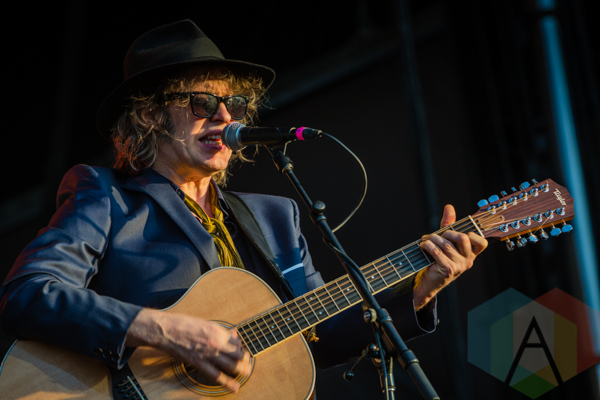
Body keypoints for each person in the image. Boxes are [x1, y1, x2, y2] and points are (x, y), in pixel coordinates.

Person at [0, 20, 487, 396]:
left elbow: (323, 337)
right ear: (149, 114)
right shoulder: (105, 196)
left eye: (232, 103)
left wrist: (419, 291)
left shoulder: (275, 218)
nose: (224, 116)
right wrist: (164, 330)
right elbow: (28, 293)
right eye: (201, 102)